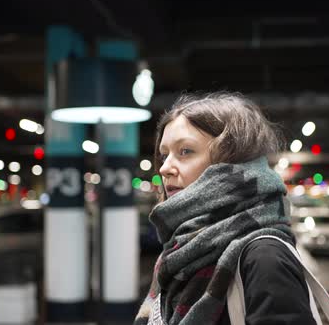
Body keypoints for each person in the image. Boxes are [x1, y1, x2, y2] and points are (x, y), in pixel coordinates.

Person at [134, 92, 317, 325]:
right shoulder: (177, 252)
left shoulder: (264, 258)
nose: (165, 168)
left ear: (230, 162)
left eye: (185, 151)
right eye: (164, 155)